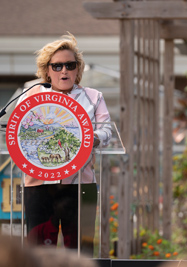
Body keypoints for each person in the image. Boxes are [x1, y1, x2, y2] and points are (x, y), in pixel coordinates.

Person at [18, 32, 112, 255]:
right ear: (47, 70)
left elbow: (107, 129)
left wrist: (93, 138)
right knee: (37, 253)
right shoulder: (30, 95)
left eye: (70, 65)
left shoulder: (93, 96)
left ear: (78, 69)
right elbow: (17, 130)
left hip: (80, 183)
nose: (64, 71)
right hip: (38, 184)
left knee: (81, 251)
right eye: (57, 66)